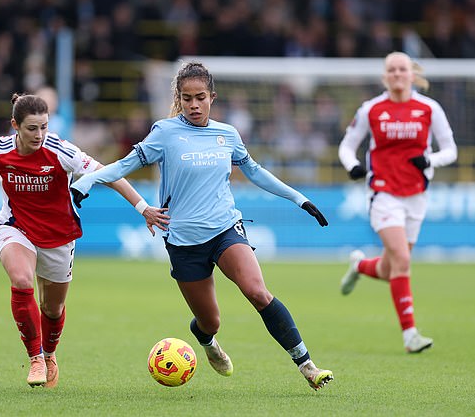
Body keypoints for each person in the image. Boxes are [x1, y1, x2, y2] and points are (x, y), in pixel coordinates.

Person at [70, 62, 334, 391]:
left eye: (200, 98)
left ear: (212, 97)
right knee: (210, 321)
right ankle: (207, 342)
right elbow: (122, 166)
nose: (194, 105)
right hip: (183, 242)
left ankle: (307, 366)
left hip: (225, 229)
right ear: (178, 99)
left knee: (257, 291)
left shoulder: (227, 135)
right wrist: (86, 182)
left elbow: (255, 172)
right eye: (186, 99)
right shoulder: (164, 134)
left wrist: (299, 199)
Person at [0, 93, 167, 387]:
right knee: (22, 280)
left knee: (53, 309)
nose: (39, 135)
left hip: (58, 236)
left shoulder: (62, 151)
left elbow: (110, 174)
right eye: (32, 128)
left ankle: (49, 354)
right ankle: (35, 358)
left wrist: (144, 208)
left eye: (44, 127)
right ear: (15, 125)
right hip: (15, 227)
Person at [338, 52, 457, 353]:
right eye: (391, 70)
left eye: (402, 69)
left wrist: (430, 159)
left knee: (393, 267)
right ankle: (410, 335)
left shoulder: (429, 109)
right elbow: (347, 146)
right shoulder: (372, 109)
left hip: (416, 196)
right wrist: (352, 166)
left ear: (411, 74)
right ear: (384, 76)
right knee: (403, 261)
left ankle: (360, 265)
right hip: (383, 193)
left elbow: (451, 150)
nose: (397, 74)